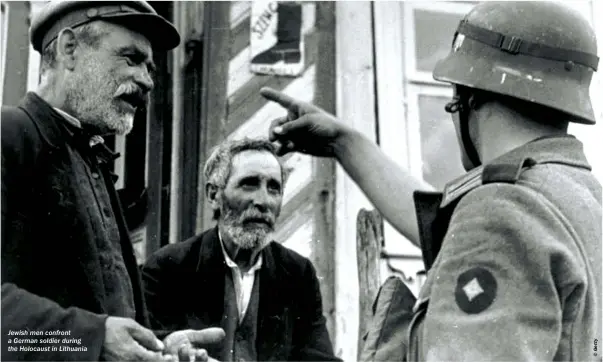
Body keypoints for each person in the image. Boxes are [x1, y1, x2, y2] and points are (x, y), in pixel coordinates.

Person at [259, 1, 601, 360]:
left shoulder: (499, 213)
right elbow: (446, 226)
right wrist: (342, 142)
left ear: (469, 98)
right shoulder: (578, 198)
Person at [1, 2, 224, 361]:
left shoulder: (92, 158)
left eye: (150, 68)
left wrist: (156, 345)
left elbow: (98, 317)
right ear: (69, 49)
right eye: (131, 58)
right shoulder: (9, 136)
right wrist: (92, 339)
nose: (147, 80)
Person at [141, 138, 341, 362]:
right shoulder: (168, 267)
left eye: (274, 188)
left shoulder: (298, 273)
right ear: (214, 195)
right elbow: (147, 348)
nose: (263, 201)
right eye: (249, 184)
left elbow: (318, 357)